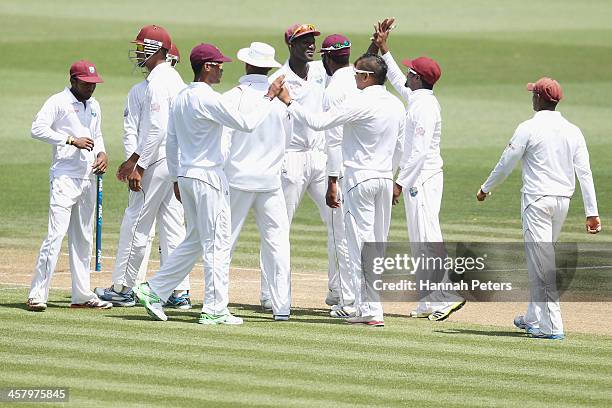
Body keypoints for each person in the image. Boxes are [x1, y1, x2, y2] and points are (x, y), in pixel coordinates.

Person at [133, 43, 285, 325]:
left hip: (189, 177)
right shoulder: (208, 98)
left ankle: (153, 290)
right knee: (217, 242)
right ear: (206, 67)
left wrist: (178, 177)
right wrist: (269, 97)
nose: (222, 69)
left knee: (195, 240)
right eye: (218, 65)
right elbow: (246, 123)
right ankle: (215, 308)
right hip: (208, 178)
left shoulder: (181, 97)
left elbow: (172, 140)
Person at [278, 53, 405, 326]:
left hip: (359, 179)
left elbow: (318, 123)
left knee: (359, 244)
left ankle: (371, 310)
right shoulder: (396, 104)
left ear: (367, 77)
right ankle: (368, 306)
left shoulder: (359, 102)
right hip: (384, 179)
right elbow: (401, 146)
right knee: (377, 245)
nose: (355, 78)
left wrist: (288, 101)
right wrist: (393, 176)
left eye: (358, 74)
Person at [477, 77, 601, 340]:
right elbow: (585, 173)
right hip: (562, 203)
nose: (532, 96)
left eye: (534, 93)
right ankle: (533, 317)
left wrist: (486, 187)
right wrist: (592, 212)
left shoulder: (528, 127)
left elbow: (506, 161)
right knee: (540, 261)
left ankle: (553, 326)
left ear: (539, 99)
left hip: (536, 202)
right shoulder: (573, 130)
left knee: (541, 265)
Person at [370, 18, 465, 321]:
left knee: (427, 236)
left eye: (411, 72)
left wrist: (399, 182)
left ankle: (445, 297)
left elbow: (420, 153)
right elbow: (398, 81)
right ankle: (428, 299)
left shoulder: (424, 107)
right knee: (418, 238)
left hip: (421, 178)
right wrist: (385, 50)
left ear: (419, 79)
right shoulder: (419, 97)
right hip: (419, 178)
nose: (407, 76)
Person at [96, 25, 190, 308]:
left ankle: (123, 288)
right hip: (174, 161)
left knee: (136, 223)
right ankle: (178, 291)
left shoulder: (158, 83)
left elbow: (156, 129)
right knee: (174, 227)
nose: (137, 51)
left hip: (157, 161)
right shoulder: (175, 80)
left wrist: (139, 164)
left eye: (141, 46)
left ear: (156, 49)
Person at [265, 23, 349, 308]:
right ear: (290, 45)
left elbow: (346, 68)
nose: (310, 45)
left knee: (338, 222)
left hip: (320, 157)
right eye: (303, 42)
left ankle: (338, 290)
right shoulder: (279, 78)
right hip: (290, 158)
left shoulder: (319, 71)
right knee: (279, 226)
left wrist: (377, 49)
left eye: (312, 40)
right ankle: (271, 295)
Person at [27, 60, 111, 311]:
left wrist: (102, 153)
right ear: (73, 80)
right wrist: (69, 140)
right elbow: (37, 129)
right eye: (86, 84)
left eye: (93, 84)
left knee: (83, 239)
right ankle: (37, 294)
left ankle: (81, 295)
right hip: (64, 177)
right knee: (55, 236)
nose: (91, 89)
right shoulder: (58, 102)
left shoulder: (94, 105)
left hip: (87, 177)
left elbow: (97, 135)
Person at [223, 42, 292, 320]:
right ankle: (282, 308)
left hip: (237, 179)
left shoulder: (233, 96)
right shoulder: (282, 99)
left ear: (247, 65)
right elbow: (288, 139)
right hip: (270, 181)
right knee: (278, 244)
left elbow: (224, 140)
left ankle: (218, 303)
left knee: (224, 242)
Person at [319, 34, 356, 318]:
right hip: (361, 168)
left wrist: (331, 181)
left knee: (340, 235)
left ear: (327, 58)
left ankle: (348, 300)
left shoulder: (333, 91)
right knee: (354, 235)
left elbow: (332, 139)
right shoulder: (363, 79)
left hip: (341, 171)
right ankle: (337, 291)